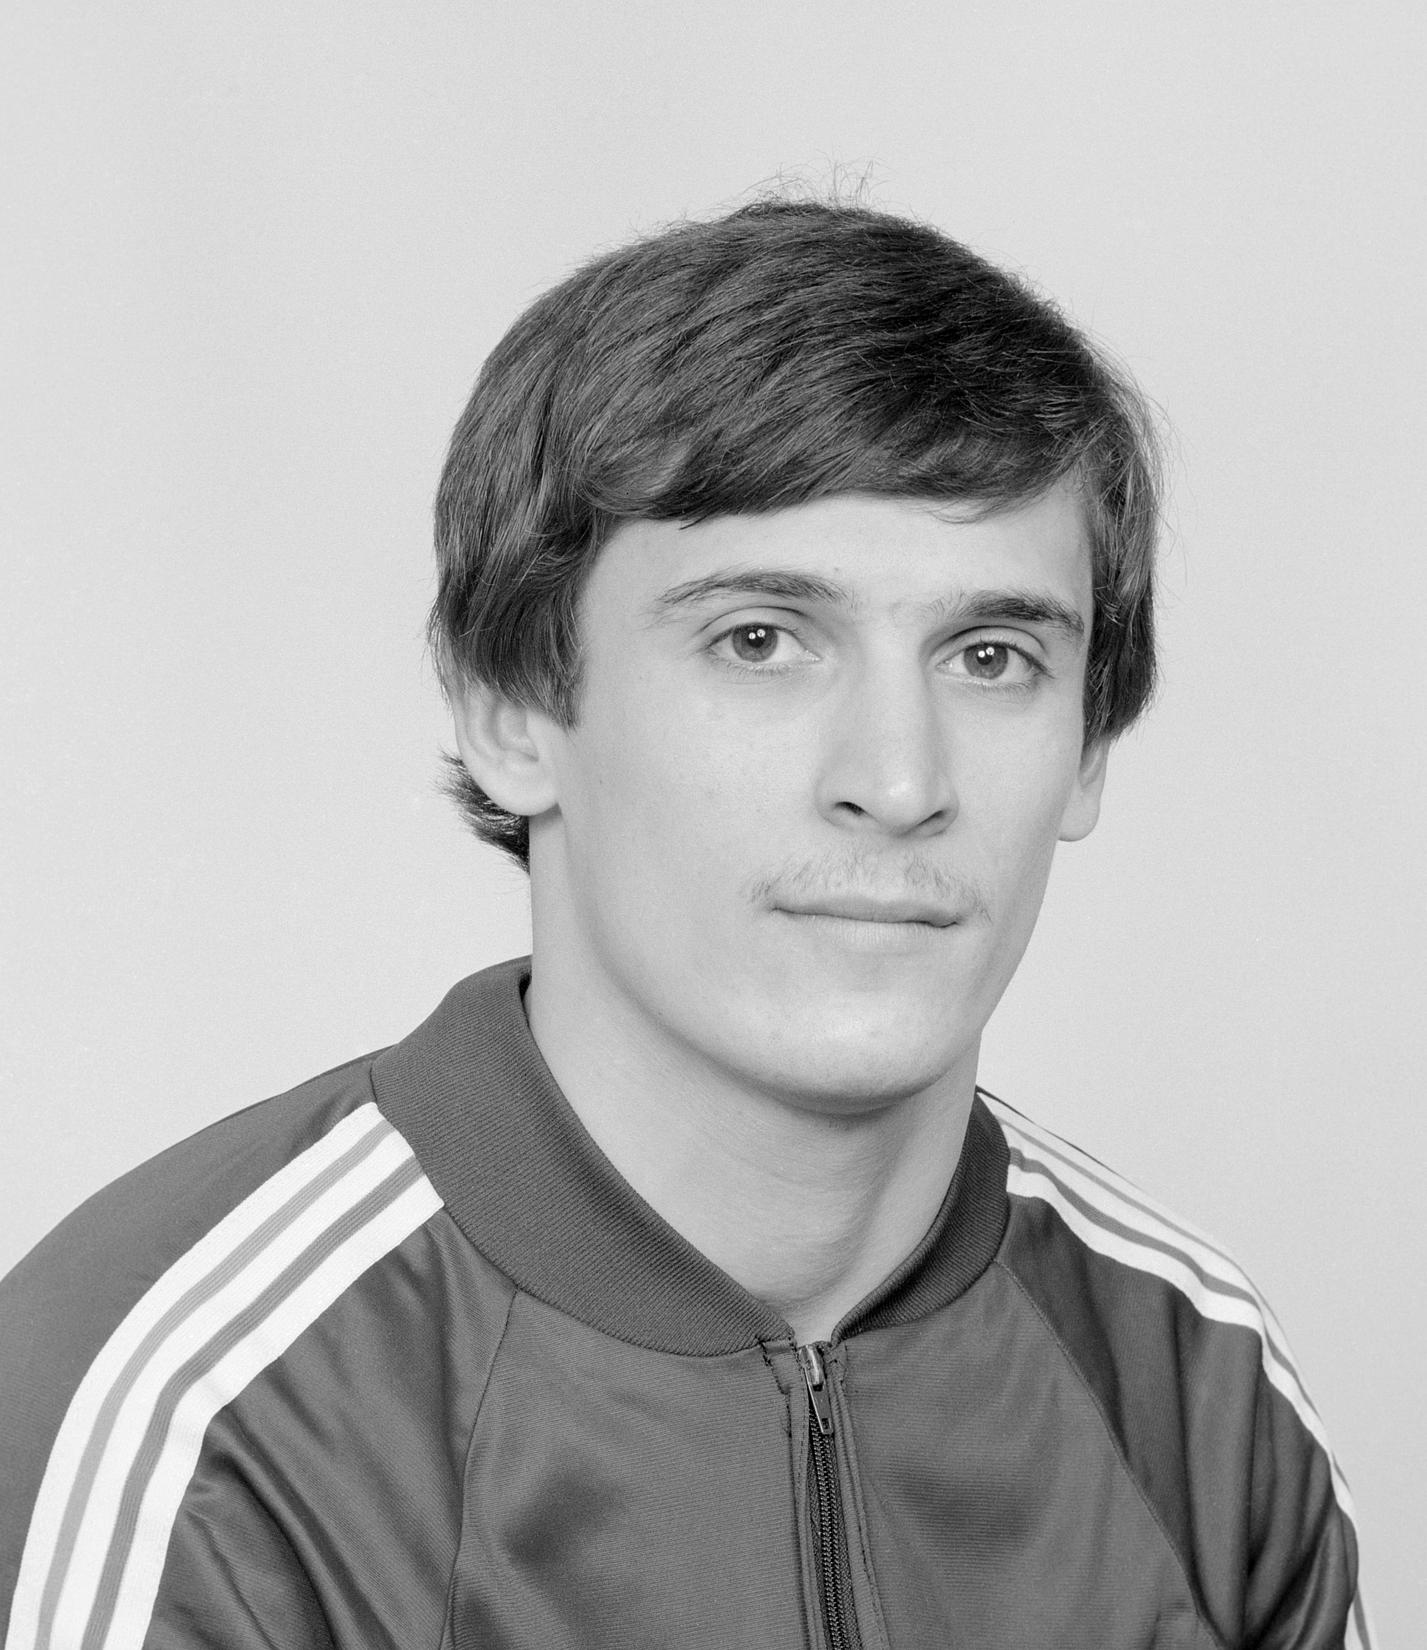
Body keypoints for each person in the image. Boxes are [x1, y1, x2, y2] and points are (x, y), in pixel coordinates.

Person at [0, 198, 1370, 1649]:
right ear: (512, 708)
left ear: (1088, 748)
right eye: (760, 641)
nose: (900, 780)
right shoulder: (199, 1423)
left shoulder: (1200, 1387)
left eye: (990, 655)